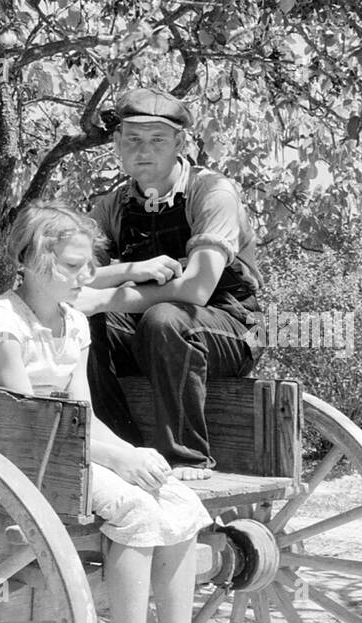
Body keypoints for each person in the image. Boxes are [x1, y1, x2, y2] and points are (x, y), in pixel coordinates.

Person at [0, 201, 237, 623]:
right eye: (71, 266)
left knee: (180, 503)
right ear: (32, 261)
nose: (85, 278)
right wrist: (120, 459)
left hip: (61, 451)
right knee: (134, 508)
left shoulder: (73, 324)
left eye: (88, 265)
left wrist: (130, 456)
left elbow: (82, 413)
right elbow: (31, 417)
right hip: (10, 457)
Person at [78, 87, 263, 480]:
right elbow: (75, 279)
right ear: (117, 144)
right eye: (133, 139)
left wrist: (105, 296)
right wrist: (129, 271)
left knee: (164, 318)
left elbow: (197, 289)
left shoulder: (212, 192)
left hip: (232, 326)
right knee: (81, 322)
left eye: (158, 139)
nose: (144, 150)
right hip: (153, 334)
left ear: (180, 142)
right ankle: (117, 446)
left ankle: (186, 457)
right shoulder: (112, 206)